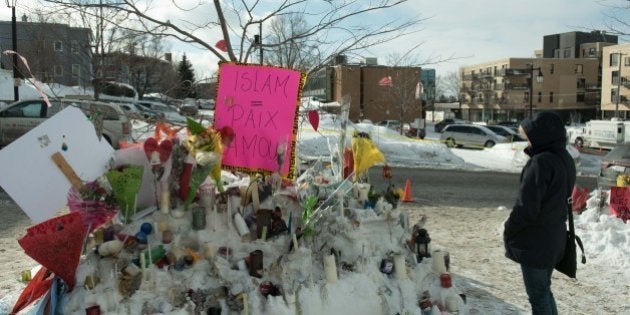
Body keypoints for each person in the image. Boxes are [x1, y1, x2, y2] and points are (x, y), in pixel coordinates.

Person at [503, 111, 576, 315]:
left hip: (536, 242)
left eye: (529, 133)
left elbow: (526, 207)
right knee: (544, 291)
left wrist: (509, 229)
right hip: (554, 238)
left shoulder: (541, 162)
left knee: (538, 297)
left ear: (541, 135)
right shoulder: (564, 158)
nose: (527, 138)